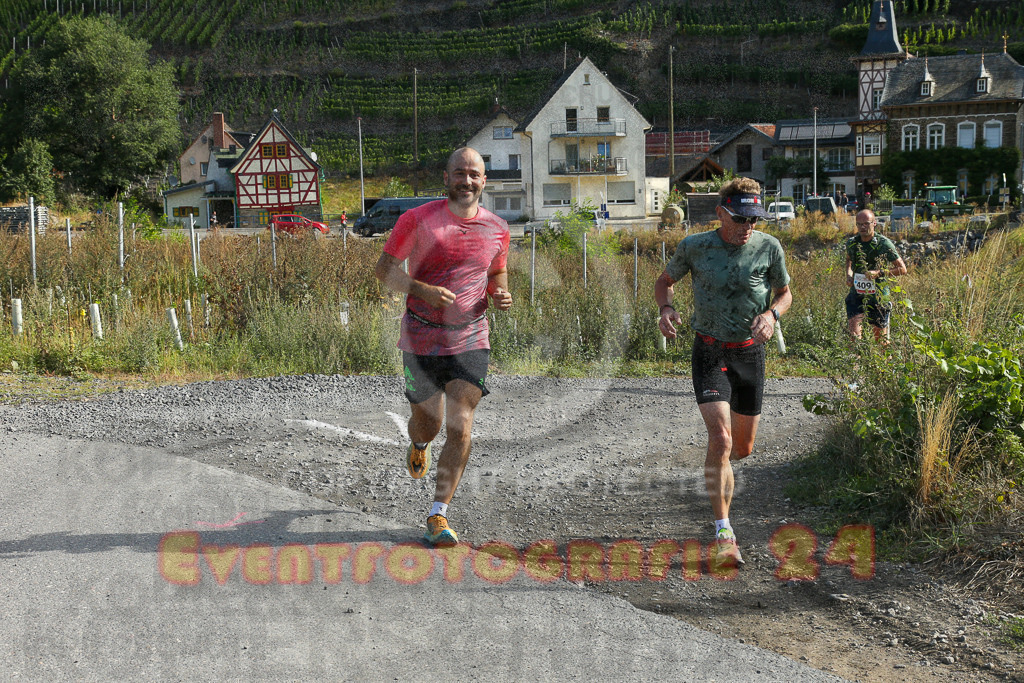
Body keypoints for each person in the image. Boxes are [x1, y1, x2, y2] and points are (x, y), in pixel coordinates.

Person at [374, 147, 512, 547]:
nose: (466, 181)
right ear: (446, 178)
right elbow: (384, 270)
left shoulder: (498, 228)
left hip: (471, 337)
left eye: (474, 174)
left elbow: (497, 271)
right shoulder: (417, 220)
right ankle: (419, 444)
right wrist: (423, 291)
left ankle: (438, 515)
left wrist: (499, 293)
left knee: (461, 423)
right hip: (421, 337)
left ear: (484, 180)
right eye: (459, 173)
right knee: (429, 423)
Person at [654, 177, 792, 566]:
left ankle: (720, 471)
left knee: (742, 448)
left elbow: (784, 293)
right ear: (721, 213)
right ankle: (724, 532)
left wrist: (772, 315)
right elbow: (665, 281)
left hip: (749, 353)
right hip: (710, 351)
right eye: (740, 218)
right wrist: (666, 308)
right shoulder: (695, 246)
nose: (748, 226)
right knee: (722, 438)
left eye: (754, 219)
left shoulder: (769, 247)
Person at [845, 209, 907, 341]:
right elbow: (848, 259)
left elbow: (902, 269)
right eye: (859, 224)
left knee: (880, 341)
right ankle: (857, 355)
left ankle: (882, 355)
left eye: (866, 223)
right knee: (854, 337)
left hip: (878, 297)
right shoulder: (852, 243)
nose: (862, 227)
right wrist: (849, 274)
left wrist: (879, 273)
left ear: (874, 223)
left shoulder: (883, 243)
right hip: (856, 295)